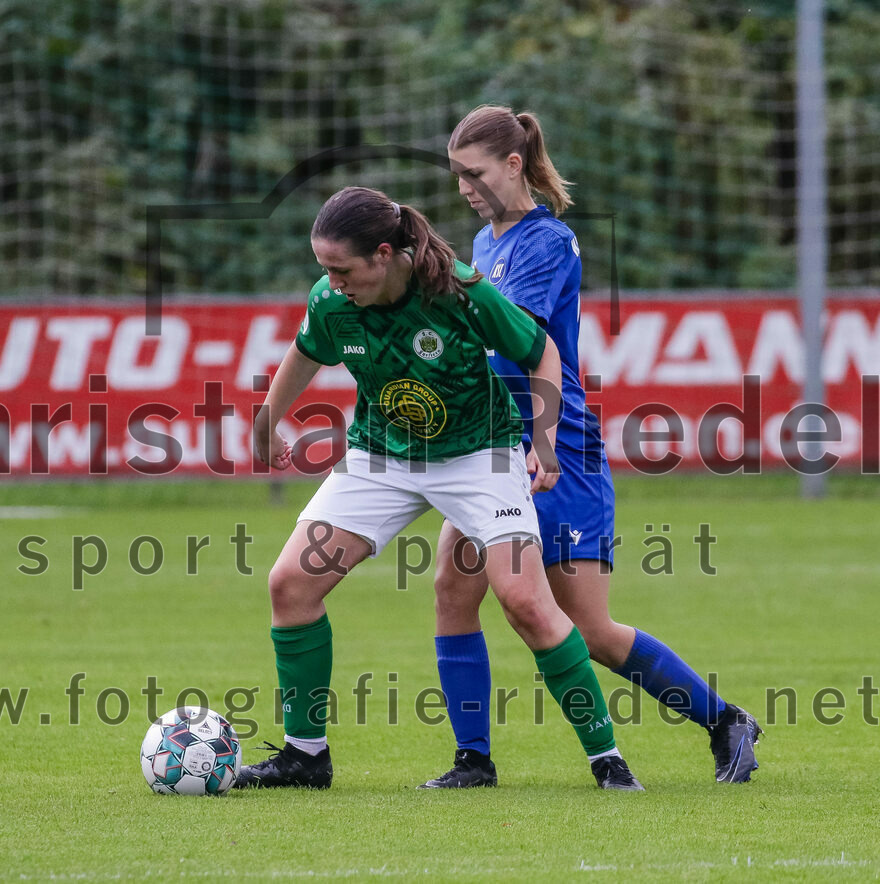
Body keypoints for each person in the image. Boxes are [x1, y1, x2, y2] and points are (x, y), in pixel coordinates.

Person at [236, 185, 643, 791]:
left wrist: (545, 438)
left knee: (527, 603)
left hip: (480, 456)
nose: (331, 282)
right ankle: (304, 756)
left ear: (383, 254)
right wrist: (267, 423)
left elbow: (543, 352)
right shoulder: (332, 301)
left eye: (341, 269)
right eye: (323, 270)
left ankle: (607, 760)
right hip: (381, 456)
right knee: (291, 583)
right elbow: (304, 353)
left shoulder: (461, 292)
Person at [420, 104, 761, 789]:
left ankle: (725, 720)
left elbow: (517, 335)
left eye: (474, 172)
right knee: (453, 588)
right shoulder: (486, 243)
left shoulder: (547, 241)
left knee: (592, 629)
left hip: (557, 451)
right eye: (456, 175)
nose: (463, 187)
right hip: (491, 449)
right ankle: (473, 760)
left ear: (512, 165)